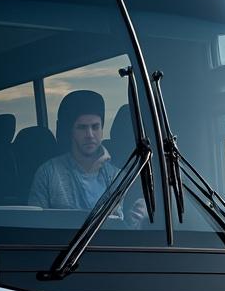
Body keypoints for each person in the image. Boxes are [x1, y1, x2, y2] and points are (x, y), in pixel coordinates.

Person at [29, 89, 145, 224]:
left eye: (95, 127)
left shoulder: (118, 177)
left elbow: (124, 230)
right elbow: (35, 225)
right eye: (82, 127)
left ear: (102, 129)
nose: (90, 134)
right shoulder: (48, 173)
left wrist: (135, 220)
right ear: (70, 131)